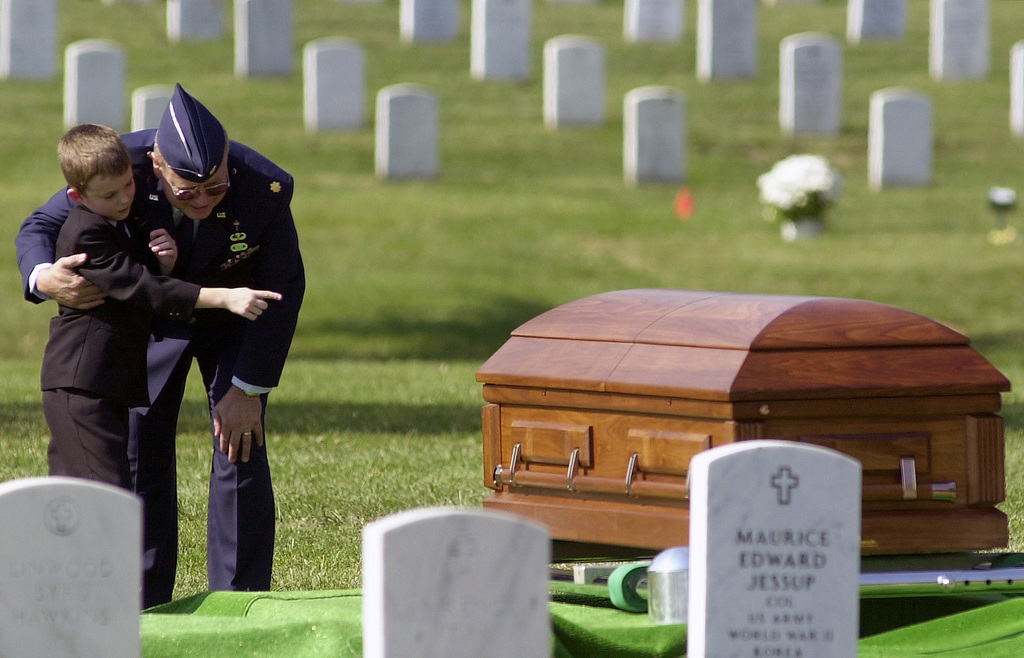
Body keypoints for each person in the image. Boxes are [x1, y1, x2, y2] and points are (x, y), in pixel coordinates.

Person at [16, 85, 305, 608]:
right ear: (155, 166)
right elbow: (41, 224)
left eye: (215, 189)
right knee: (139, 444)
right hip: (150, 322)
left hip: (232, 318)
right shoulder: (116, 166)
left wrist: (247, 387)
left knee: (238, 444)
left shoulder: (263, 187)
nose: (202, 199)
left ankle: (240, 602)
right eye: (186, 190)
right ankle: (144, 600)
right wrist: (44, 277)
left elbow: (284, 286)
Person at [42, 123, 282, 492]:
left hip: (108, 381)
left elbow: (143, 275)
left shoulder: (119, 220)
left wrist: (166, 264)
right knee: (104, 493)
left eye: (128, 186)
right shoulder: (86, 233)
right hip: (81, 380)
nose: (123, 199)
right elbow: (143, 288)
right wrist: (225, 296)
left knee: (78, 493)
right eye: (110, 195)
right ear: (76, 197)